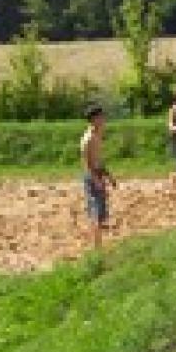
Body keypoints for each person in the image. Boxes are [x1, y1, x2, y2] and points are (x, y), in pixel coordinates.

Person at [80, 104, 117, 249]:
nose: (104, 119)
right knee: (95, 213)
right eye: (101, 117)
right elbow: (87, 162)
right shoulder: (88, 138)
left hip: (98, 175)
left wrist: (109, 176)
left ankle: (98, 244)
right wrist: (96, 179)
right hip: (92, 177)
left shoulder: (96, 136)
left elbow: (98, 160)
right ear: (94, 119)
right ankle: (97, 247)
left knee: (100, 213)